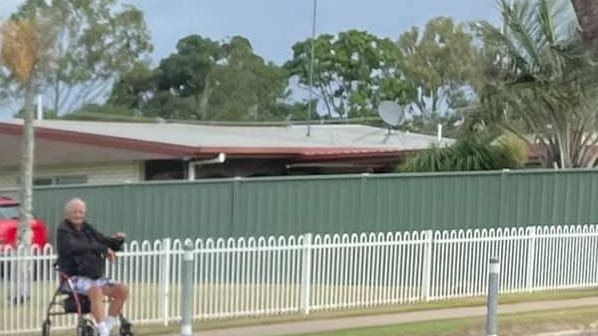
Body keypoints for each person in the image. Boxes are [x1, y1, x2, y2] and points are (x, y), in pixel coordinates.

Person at [56, 198, 128, 336]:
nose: (78, 215)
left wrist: (116, 242)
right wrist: (102, 248)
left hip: (93, 276)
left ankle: (107, 326)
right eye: (74, 212)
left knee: (122, 289)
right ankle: (103, 331)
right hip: (72, 277)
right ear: (67, 213)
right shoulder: (63, 230)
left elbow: (103, 240)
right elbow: (75, 246)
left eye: (81, 212)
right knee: (95, 290)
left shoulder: (87, 228)